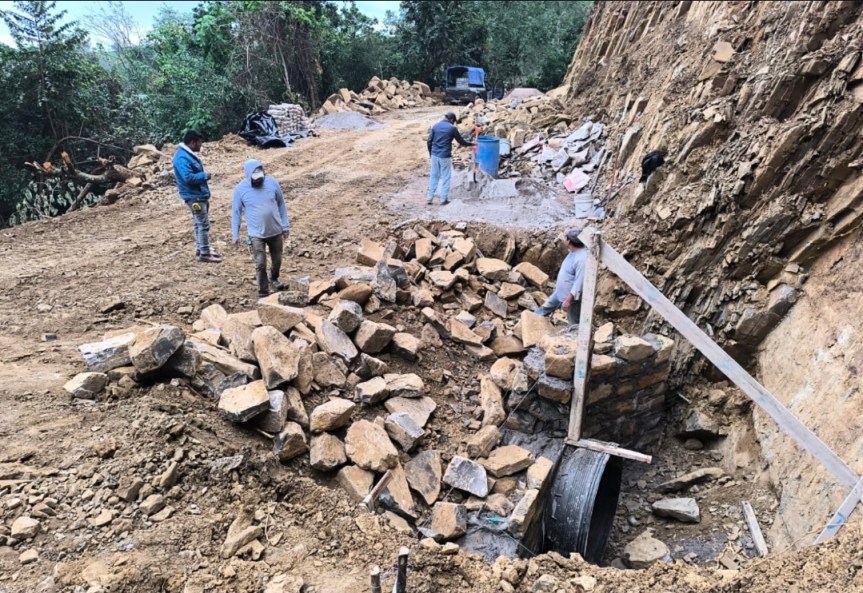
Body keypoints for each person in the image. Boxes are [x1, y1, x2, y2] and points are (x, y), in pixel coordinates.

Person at [231, 159, 291, 299]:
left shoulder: (272, 183)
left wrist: (285, 225)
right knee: (260, 263)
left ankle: (274, 278)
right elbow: (236, 212)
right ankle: (263, 292)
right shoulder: (240, 190)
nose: (258, 182)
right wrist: (235, 235)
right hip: (256, 234)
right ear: (248, 176)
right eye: (255, 180)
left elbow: (281, 205)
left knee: (277, 260)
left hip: (276, 231)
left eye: (260, 179)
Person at [173, 130, 221, 263]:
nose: (201, 145)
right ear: (193, 142)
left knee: (198, 223)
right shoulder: (182, 158)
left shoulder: (186, 155)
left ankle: (201, 248)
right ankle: (205, 253)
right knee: (203, 224)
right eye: (200, 142)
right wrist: (205, 175)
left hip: (197, 195)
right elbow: (188, 177)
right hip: (194, 197)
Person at [535, 228, 587, 325]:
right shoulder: (573, 251)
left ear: (569, 241)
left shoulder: (582, 258)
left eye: (565, 238)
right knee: (543, 309)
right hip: (559, 293)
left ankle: (575, 336)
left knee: (573, 322)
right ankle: (530, 321)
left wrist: (568, 300)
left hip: (571, 299)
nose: (563, 240)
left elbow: (579, 282)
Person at [427, 112, 473, 205]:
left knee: (434, 176)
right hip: (445, 156)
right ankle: (443, 199)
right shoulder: (452, 128)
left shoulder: (435, 126)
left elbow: (429, 141)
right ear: (452, 120)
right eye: (454, 122)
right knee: (446, 177)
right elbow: (461, 141)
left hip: (435, 155)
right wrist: (471, 144)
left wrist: (430, 153)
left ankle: (429, 197)